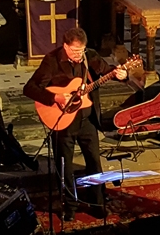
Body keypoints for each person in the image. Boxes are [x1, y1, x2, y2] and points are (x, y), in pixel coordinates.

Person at [24, 27, 129, 220]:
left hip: (87, 121)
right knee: (65, 166)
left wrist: (121, 75)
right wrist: (55, 97)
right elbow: (29, 88)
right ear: (65, 46)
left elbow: (108, 71)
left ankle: (97, 203)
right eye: (74, 51)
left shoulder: (90, 56)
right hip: (63, 121)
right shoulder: (52, 60)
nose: (78, 55)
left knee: (94, 162)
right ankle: (69, 206)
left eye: (81, 50)